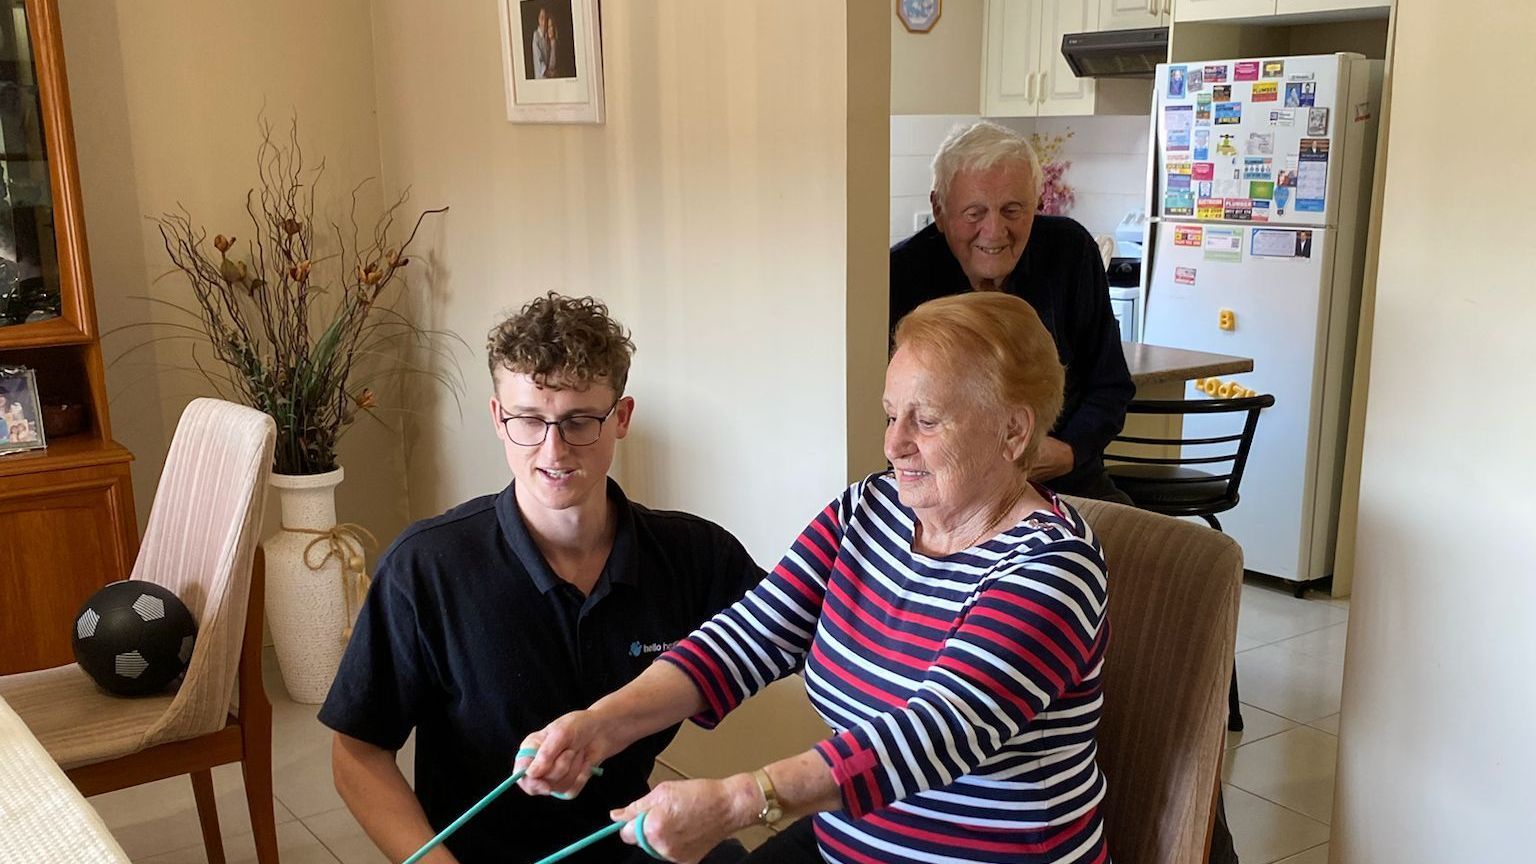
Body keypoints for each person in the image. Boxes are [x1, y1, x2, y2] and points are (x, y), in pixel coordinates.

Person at [518, 292, 1112, 864]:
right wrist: (600, 724)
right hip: (845, 845)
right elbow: (750, 635)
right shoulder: (869, 509)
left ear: (1012, 432)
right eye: (890, 414)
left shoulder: (1053, 568)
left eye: (926, 421)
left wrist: (735, 801)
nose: (893, 443)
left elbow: (933, 734)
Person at [320, 293, 761, 864]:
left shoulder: (695, 554)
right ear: (498, 419)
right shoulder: (425, 566)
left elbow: (811, 630)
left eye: (580, 421)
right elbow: (356, 753)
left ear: (621, 418)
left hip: (629, 841)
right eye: (529, 420)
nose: (553, 450)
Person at [889, 120, 1135, 505]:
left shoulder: (1071, 252)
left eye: (1012, 210)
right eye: (974, 213)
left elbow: (1111, 384)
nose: (994, 231)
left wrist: (1068, 451)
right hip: (951, 497)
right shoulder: (899, 276)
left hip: (1070, 486)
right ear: (939, 209)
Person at [530, 6, 554, 79]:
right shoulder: (536, 36)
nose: (544, 21)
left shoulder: (547, 36)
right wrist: (549, 73)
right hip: (541, 77)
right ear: (538, 20)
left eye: (546, 18)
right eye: (542, 18)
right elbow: (539, 60)